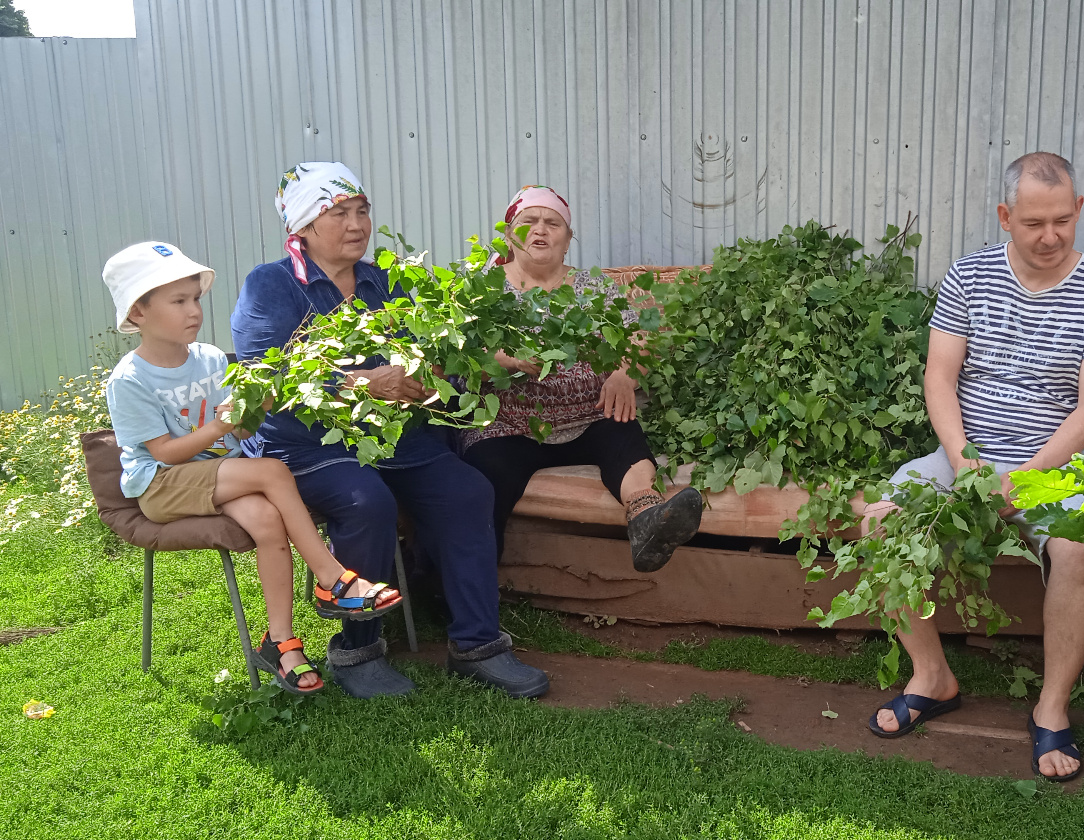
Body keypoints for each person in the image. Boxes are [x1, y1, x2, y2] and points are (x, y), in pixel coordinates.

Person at [862, 152, 1084, 783]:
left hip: (1058, 467)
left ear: (1079, 211)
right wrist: (964, 465)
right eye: (1034, 222)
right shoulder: (969, 277)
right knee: (881, 522)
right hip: (966, 455)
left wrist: (1025, 479)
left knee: (1078, 547)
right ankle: (932, 677)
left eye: (1063, 220)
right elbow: (940, 378)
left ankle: (1052, 706)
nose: (1050, 236)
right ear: (1005, 216)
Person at [231, 162, 549, 699]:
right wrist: (360, 382)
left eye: (362, 212)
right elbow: (265, 376)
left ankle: (477, 646)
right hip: (308, 444)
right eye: (339, 213)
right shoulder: (272, 285)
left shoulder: (387, 279)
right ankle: (357, 649)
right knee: (366, 503)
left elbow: (428, 351)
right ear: (304, 227)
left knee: (469, 491)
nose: (356, 225)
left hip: (398, 437)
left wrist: (438, 375)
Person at [103, 241, 403, 694]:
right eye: (178, 301)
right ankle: (331, 579)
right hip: (162, 486)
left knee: (266, 520)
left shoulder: (207, 357)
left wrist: (248, 416)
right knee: (272, 472)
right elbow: (164, 453)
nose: (193, 311)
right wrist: (221, 424)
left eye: (196, 299)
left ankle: (281, 644)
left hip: (216, 474)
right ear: (138, 313)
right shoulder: (130, 379)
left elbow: (234, 437)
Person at [460, 185, 701, 571]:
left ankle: (649, 522)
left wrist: (625, 375)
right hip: (507, 426)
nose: (541, 230)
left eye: (553, 223)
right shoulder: (481, 286)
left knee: (622, 431)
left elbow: (637, 339)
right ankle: (470, 582)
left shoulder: (593, 288)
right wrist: (508, 358)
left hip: (587, 417)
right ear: (509, 234)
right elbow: (456, 354)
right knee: (488, 478)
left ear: (567, 240)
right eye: (529, 222)